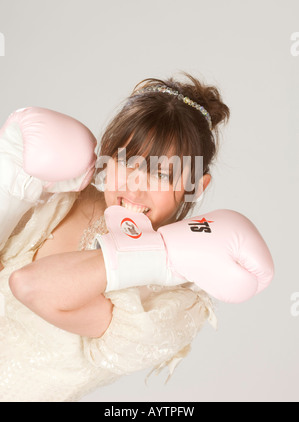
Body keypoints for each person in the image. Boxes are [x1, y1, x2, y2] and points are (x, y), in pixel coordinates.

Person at [0, 72, 274, 402]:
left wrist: (161, 255)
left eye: (162, 174)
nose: (135, 186)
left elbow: (30, 286)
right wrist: (12, 181)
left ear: (196, 187)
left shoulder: (171, 298)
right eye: (126, 161)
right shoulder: (61, 193)